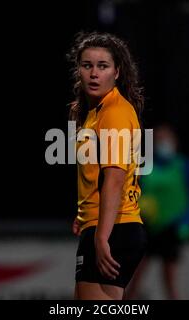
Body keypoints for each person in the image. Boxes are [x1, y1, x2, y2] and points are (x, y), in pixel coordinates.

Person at [67, 31, 147, 300]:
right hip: (106, 225)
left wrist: (102, 238)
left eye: (102, 66)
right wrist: (84, 214)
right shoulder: (93, 111)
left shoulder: (114, 112)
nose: (93, 73)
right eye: (87, 65)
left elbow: (114, 178)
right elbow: (95, 175)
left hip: (115, 228)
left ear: (117, 72)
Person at [125, 123, 189, 300]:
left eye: (165, 139)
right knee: (135, 275)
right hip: (147, 228)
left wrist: (186, 222)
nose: (162, 143)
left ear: (175, 142)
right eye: (158, 139)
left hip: (172, 228)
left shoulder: (185, 165)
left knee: (170, 278)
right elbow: (133, 193)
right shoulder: (145, 166)